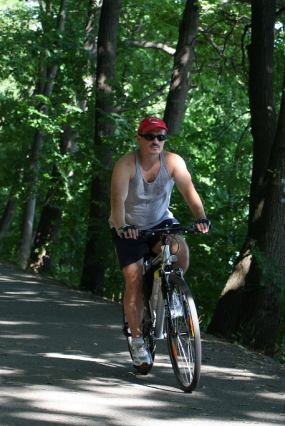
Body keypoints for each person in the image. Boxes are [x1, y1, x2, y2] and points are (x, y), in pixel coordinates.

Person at [110, 116, 210, 373]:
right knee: (133, 280)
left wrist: (201, 217)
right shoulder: (125, 164)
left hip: (160, 222)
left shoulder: (173, 162)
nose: (156, 141)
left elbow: (189, 190)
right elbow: (117, 201)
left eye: (161, 137)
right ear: (139, 138)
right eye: (150, 136)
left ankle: (170, 292)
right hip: (129, 226)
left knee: (181, 253)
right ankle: (137, 341)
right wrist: (122, 227)